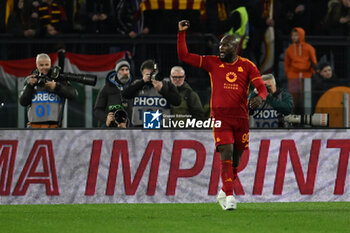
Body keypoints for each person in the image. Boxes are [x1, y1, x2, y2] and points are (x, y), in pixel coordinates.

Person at [177, 20, 267, 210]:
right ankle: (229, 197)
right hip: (220, 117)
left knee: (236, 160)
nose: (221, 48)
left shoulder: (248, 66)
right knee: (225, 152)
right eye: (220, 45)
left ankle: (223, 190)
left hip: (241, 118)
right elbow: (184, 55)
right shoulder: (212, 63)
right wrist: (181, 34)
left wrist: (260, 98)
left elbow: (262, 88)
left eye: (225, 45)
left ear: (235, 47)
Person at [19, 53, 77, 128]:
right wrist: (30, 86)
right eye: (41, 65)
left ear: (50, 64)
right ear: (37, 65)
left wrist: (57, 87)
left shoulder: (59, 79)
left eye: (47, 65)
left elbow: (74, 94)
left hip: (54, 126)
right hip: (34, 126)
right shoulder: (30, 80)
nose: (44, 67)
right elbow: (23, 102)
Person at [122, 59, 181, 127]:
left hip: (162, 127)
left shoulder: (167, 84)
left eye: (153, 74)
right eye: (147, 75)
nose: (151, 77)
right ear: (142, 74)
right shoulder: (137, 84)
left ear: (157, 72)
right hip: (140, 126)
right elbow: (125, 95)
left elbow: (177, 101)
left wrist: (162, 90)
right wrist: (142, 82)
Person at [284, 27, 317, 114]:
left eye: (296, 35)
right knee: (292, 98)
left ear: (301, 36)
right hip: (293, 76)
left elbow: (314, 62)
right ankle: (292, 118)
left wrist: (311, 74)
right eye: (292, 35)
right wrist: (289, 75)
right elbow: (286, 64)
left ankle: (307, 117)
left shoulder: (309, 48)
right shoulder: (289, 49)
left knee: (306, 98)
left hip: (306, 77)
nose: (294, 37)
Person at [94, 59, 133, 127]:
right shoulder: (106, 88)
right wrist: (106, 118)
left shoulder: (134, 87)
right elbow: (97, 111)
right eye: (122, 70)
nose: (125, 72)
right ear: (117, 72)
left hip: (130, 128)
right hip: (110, 128)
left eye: (127, 70)